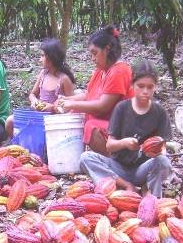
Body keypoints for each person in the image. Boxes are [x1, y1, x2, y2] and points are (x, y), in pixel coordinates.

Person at [80, 60, 173, 197]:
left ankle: (152, 196)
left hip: (143, 168)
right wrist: (125, 143)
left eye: (150, 87)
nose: (145, 91)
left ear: (155, 87)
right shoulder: (122, 108)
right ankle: (124, 186)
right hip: (119, 168)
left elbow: (163, 146)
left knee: (163, 162)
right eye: (140, 86)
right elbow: (110, 146)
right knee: (85, 158)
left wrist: (158, 152)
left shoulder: (159, 112)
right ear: (132, 85)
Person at [57, 25, 133, 155]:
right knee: (75, 111)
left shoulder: (119, 71)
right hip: (110, 124)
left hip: (123, 130)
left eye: (95, 53)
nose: (92, 58)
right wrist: (66, 100)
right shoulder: (101, 71)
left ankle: (116, 161)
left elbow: (103, 106)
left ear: (107, 49)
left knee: (90, 126)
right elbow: (89, 95)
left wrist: (73, 104)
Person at [5, 38, 76, 137]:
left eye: (42, 56)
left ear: (52, 57)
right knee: (10, 121)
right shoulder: (43, 74)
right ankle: (18, 146)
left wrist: (53, 108)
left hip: (54, 120)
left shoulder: (64, 79)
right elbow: (32, 94)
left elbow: (73, 107)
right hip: (38, 115)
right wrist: (34, 101)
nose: (40, 59)